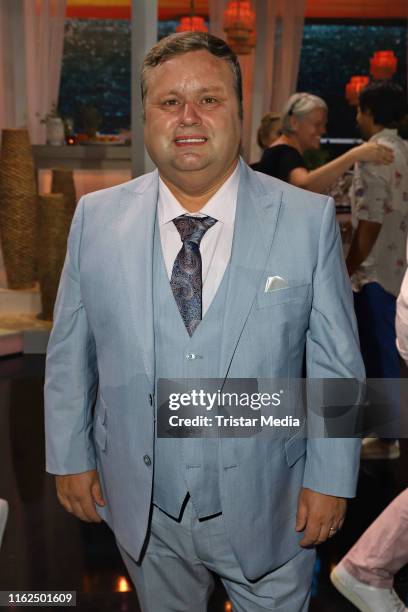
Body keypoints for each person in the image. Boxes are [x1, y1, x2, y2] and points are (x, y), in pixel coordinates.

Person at [44, 32, 364, 612]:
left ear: (240, 112)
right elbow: (70, 350)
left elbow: (335, 361)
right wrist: (70, 457)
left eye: (209, 99)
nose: (188, 116)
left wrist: (333, 477)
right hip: (144, 507)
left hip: (273, 503)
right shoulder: (96, 218)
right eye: (169, 102)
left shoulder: (304, 219)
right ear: (146, 116)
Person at [346, 81, 408, 460]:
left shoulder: (373, 154)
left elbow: (369, 221)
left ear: (369, 113)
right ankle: (391, 437)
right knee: (393, 353)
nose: (356, 118)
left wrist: (348, 265)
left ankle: (389, 441)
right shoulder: (403, 148)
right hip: (399, 263)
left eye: (359, 110)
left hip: (375, 269)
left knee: (379, 353)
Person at [254, 92, 393, 190]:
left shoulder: (282, 150)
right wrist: (354, 154)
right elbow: (305, 185)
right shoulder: (284, 151)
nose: (323, 130)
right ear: (294, 122)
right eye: (317, 124)